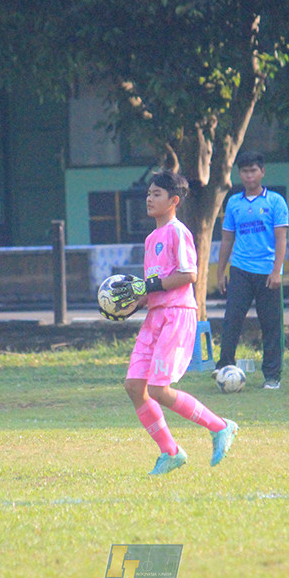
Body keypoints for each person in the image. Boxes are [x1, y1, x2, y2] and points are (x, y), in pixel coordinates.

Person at [108, 170, 238, 475]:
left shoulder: (178, 232)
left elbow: (187, 275)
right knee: (134, 386)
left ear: (174, 201)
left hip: (177, 314)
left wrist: (148, 287)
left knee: (158, 389)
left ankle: (221, 427)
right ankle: (171, 452)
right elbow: (154, 285)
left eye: (157, 194)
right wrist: (131, 300)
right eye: (148, 193)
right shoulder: (151, 237)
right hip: (155, 316)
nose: (149, 199)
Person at [214, 150, 289, 389]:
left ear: (262, 172)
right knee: (232, 320)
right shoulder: (234, 202)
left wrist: (277, 271)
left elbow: (281, 239)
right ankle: (224, 367)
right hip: (240, 269)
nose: (249, 176)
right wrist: (220, 271)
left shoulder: (275, 201)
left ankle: (272, 376)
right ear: (239, 174)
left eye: (253, 171)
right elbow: (227, 239)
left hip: (267, 271)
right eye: (244, 171)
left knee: (271, 324)